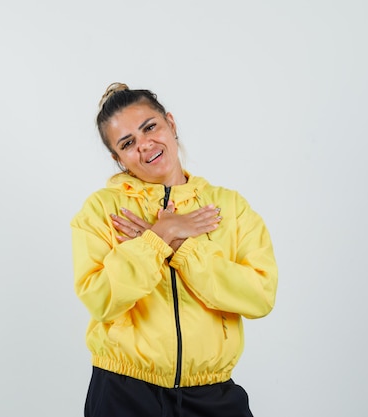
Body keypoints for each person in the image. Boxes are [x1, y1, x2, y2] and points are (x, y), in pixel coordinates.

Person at [70, 82, 278, 417]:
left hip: (213, 395)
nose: (145, 145)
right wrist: (157, 238)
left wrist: (179, 245)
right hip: (123, 392)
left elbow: (260, 296)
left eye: (150, 127)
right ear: (117, 158)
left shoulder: (230, 207)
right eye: (128, 143)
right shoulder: (100, 211)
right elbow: (100, 298)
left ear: (171, 123)